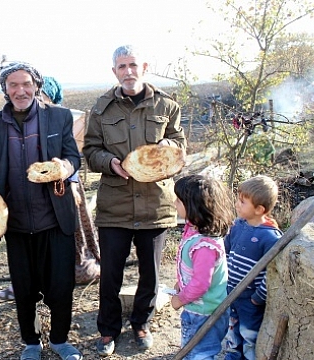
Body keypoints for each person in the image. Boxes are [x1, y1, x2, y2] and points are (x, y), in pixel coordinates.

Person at [83, 44, 186, 355]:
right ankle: (108, 331)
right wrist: (110, 164)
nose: (128, 71)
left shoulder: (166, 105)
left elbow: (180, 141)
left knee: (151, 274)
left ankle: (141, 323)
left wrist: (167, 146)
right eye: (121, 66)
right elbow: (90, 151)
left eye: (133, 65)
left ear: (145, 67)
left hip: (155, 204)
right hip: (115, 205)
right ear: (114, 71)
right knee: (110, 274)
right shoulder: (102, 109)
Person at [0, 62, 83, 360]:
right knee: (24, 289)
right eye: (13, 85)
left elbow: (72, 156)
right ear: (5, 90)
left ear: (36, 86)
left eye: (26, 83)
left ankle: (60, 340)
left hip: (54, 219)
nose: (20, 90)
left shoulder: (59, 117)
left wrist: (66, 167)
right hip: (15, 222)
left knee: (61, 286)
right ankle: (30, 342)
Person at [0, 75, 100, 301]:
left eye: (42, 97)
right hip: (30, 197)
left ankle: (65, 278)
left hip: (65, 187)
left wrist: (66, 175)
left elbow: (69, 157)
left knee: (72, 237)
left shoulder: (57, 118)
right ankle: (28, 285)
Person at [170, 175, 234, 359]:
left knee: (200, 353)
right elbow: (193, 270)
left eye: (178, 200)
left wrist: (180, 299)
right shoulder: (196, 228)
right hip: (203, 309)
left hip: (203, 313)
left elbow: (200, 284)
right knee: (194, 350)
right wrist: (181, 282)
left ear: (193, 206)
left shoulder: (204, 245)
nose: (175, 204)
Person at [224, 175, 282, 360]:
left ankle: (250, 356)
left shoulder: (271, 238)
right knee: (231, 326)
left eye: (242, 202)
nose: (237, 204)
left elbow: (272, 273)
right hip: (230, 290)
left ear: (259, 209)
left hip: (250, 297)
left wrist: (258, 298)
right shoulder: (237, 225)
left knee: (249, 331)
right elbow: (224, 251)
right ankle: (233, 355)